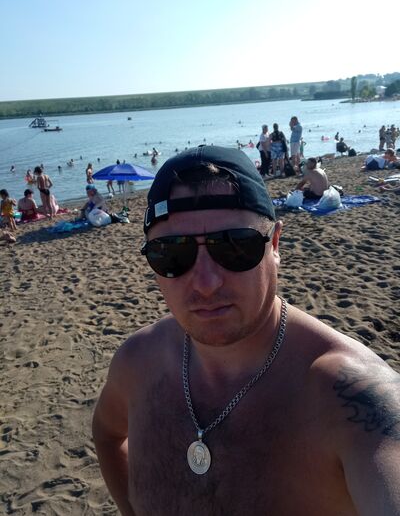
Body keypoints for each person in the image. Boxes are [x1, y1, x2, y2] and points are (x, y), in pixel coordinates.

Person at [92, 145, 400, 515]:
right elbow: (107, 435)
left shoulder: (352, 400)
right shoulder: (137, 362)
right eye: (172, 253)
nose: (205, 283)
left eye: (235, 247)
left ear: (275, 245)